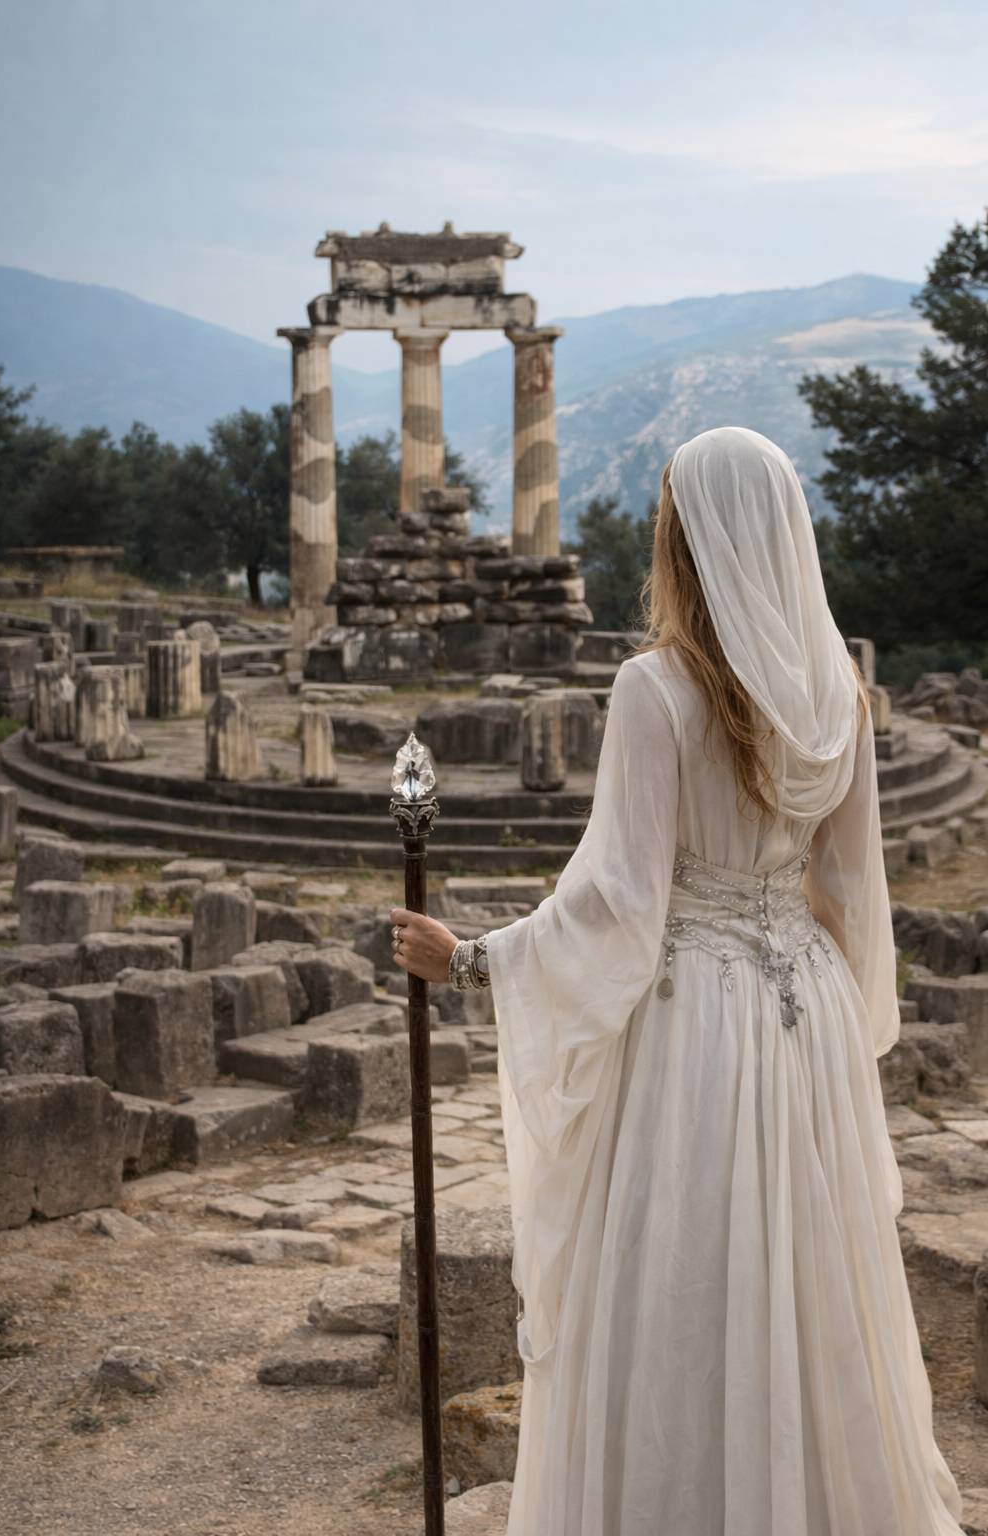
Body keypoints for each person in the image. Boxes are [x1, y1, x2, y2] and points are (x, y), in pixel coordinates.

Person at [390, 427, 963, 1536]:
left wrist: (471, 958)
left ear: (686, 535)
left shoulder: (657, 688)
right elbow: (848, 893)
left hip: (691, 1023)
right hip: (807, 1017)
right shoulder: (837, 687)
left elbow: (617, 904)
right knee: (804, 1278)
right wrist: (841, 1027)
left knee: (678, 1283)